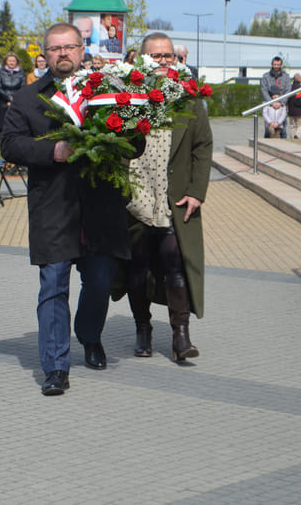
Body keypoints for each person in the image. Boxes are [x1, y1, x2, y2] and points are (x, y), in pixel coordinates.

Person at [1, 22, 142, 396]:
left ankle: (89, 335)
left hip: (101, 206)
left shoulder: (108, 92)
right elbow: (10, 145)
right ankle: (56, 366)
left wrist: (125, 128)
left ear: (82, 50)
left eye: (69, 47)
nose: (62, 53)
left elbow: (137, 143)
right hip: (54, 208)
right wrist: (53, 151)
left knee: (98, 283)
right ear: (44, 55)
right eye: (55, 48)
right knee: (53, 286)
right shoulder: (28, 98)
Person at [114, 32, 213, 361]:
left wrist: (197, 192)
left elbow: (202, 147)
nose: (163, 61)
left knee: (176, 264)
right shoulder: (128, 98)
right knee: (137, 268)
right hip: (137, 198)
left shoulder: (189, 100)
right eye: (155, 56)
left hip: (174, 200)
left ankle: (181, 336)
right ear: (142, 59)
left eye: (167, 55)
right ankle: (143, 328)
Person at [0, 52, 25, 130]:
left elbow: (23, 87)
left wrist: (14, 99)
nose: (11, 63)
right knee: (2, 127)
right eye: (10, 61)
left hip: (17, 102)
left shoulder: (21, 73)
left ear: (17, 62)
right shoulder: (0, 73)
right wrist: (8, 98)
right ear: (6, 62)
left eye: (13, 61)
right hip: (3, 102)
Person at [287, 73, 301, 139]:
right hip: (299, 110)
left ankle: (292, 138)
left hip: (291, 110)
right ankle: (297, 135)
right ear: (299, 79)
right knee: (300, 125)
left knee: (292, 126)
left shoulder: (289, 88)